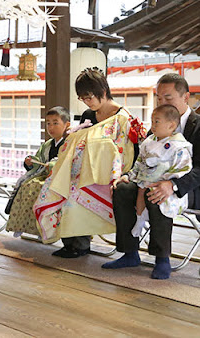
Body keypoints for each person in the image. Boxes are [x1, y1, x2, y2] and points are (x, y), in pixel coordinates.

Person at [103, 73, 200, 279]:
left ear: (186, 97)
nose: (162, 102)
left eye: (168, 97)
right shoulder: (156, 128)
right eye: (159, 98)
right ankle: (129, 252)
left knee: (157, 194)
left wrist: (172, 185)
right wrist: (128, 176)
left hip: (190, 188)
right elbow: (143, 160)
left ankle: (162, 259)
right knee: (122, 189)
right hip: (153, 181)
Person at [33, 67, 142, 258]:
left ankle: (81, 244)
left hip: (111, 173)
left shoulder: (123, 117)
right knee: (62, 186)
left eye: (89, 97)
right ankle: (71, 242)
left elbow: (129, 150)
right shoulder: (88, 115)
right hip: (84, 170)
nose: (86, 102)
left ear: (103, 91)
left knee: (76, 191)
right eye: (82, 98)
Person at [117, 104, 192, 238]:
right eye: (152, 121)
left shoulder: (179, 145)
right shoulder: (148, 141)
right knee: (132, 190)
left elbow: (183, 168)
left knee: (157, 197)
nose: (153, 125)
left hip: (166, 185)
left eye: (157, 122)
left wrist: (170, 182)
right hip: (146, 179)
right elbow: (139, 162)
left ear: (171, 125)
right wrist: (129, 176)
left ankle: (161, 256)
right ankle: (139, 220)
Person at [5, 106, 70, 237]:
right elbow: (39, 160)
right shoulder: (47, 145)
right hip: (43, 176)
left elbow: (67, 162)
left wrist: (51, 165)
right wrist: (30, 162)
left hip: (60, 179)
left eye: (55, 123)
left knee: (35, 188)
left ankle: (42, 229)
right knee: (25, 186)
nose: (51, 127)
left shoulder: (69, 143)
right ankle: (20, 224)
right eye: (48, 123)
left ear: (67, 125)